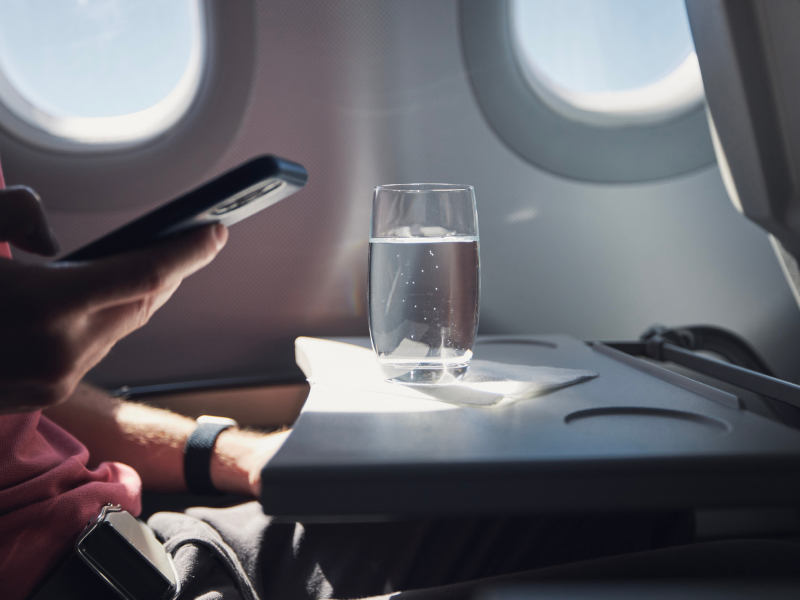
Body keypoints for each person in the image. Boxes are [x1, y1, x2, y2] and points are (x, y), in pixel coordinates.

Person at [5, 169, 774, 600]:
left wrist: (236, 452)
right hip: (71, 583)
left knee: (619, 507)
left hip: (150, 543)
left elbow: (35, 399)